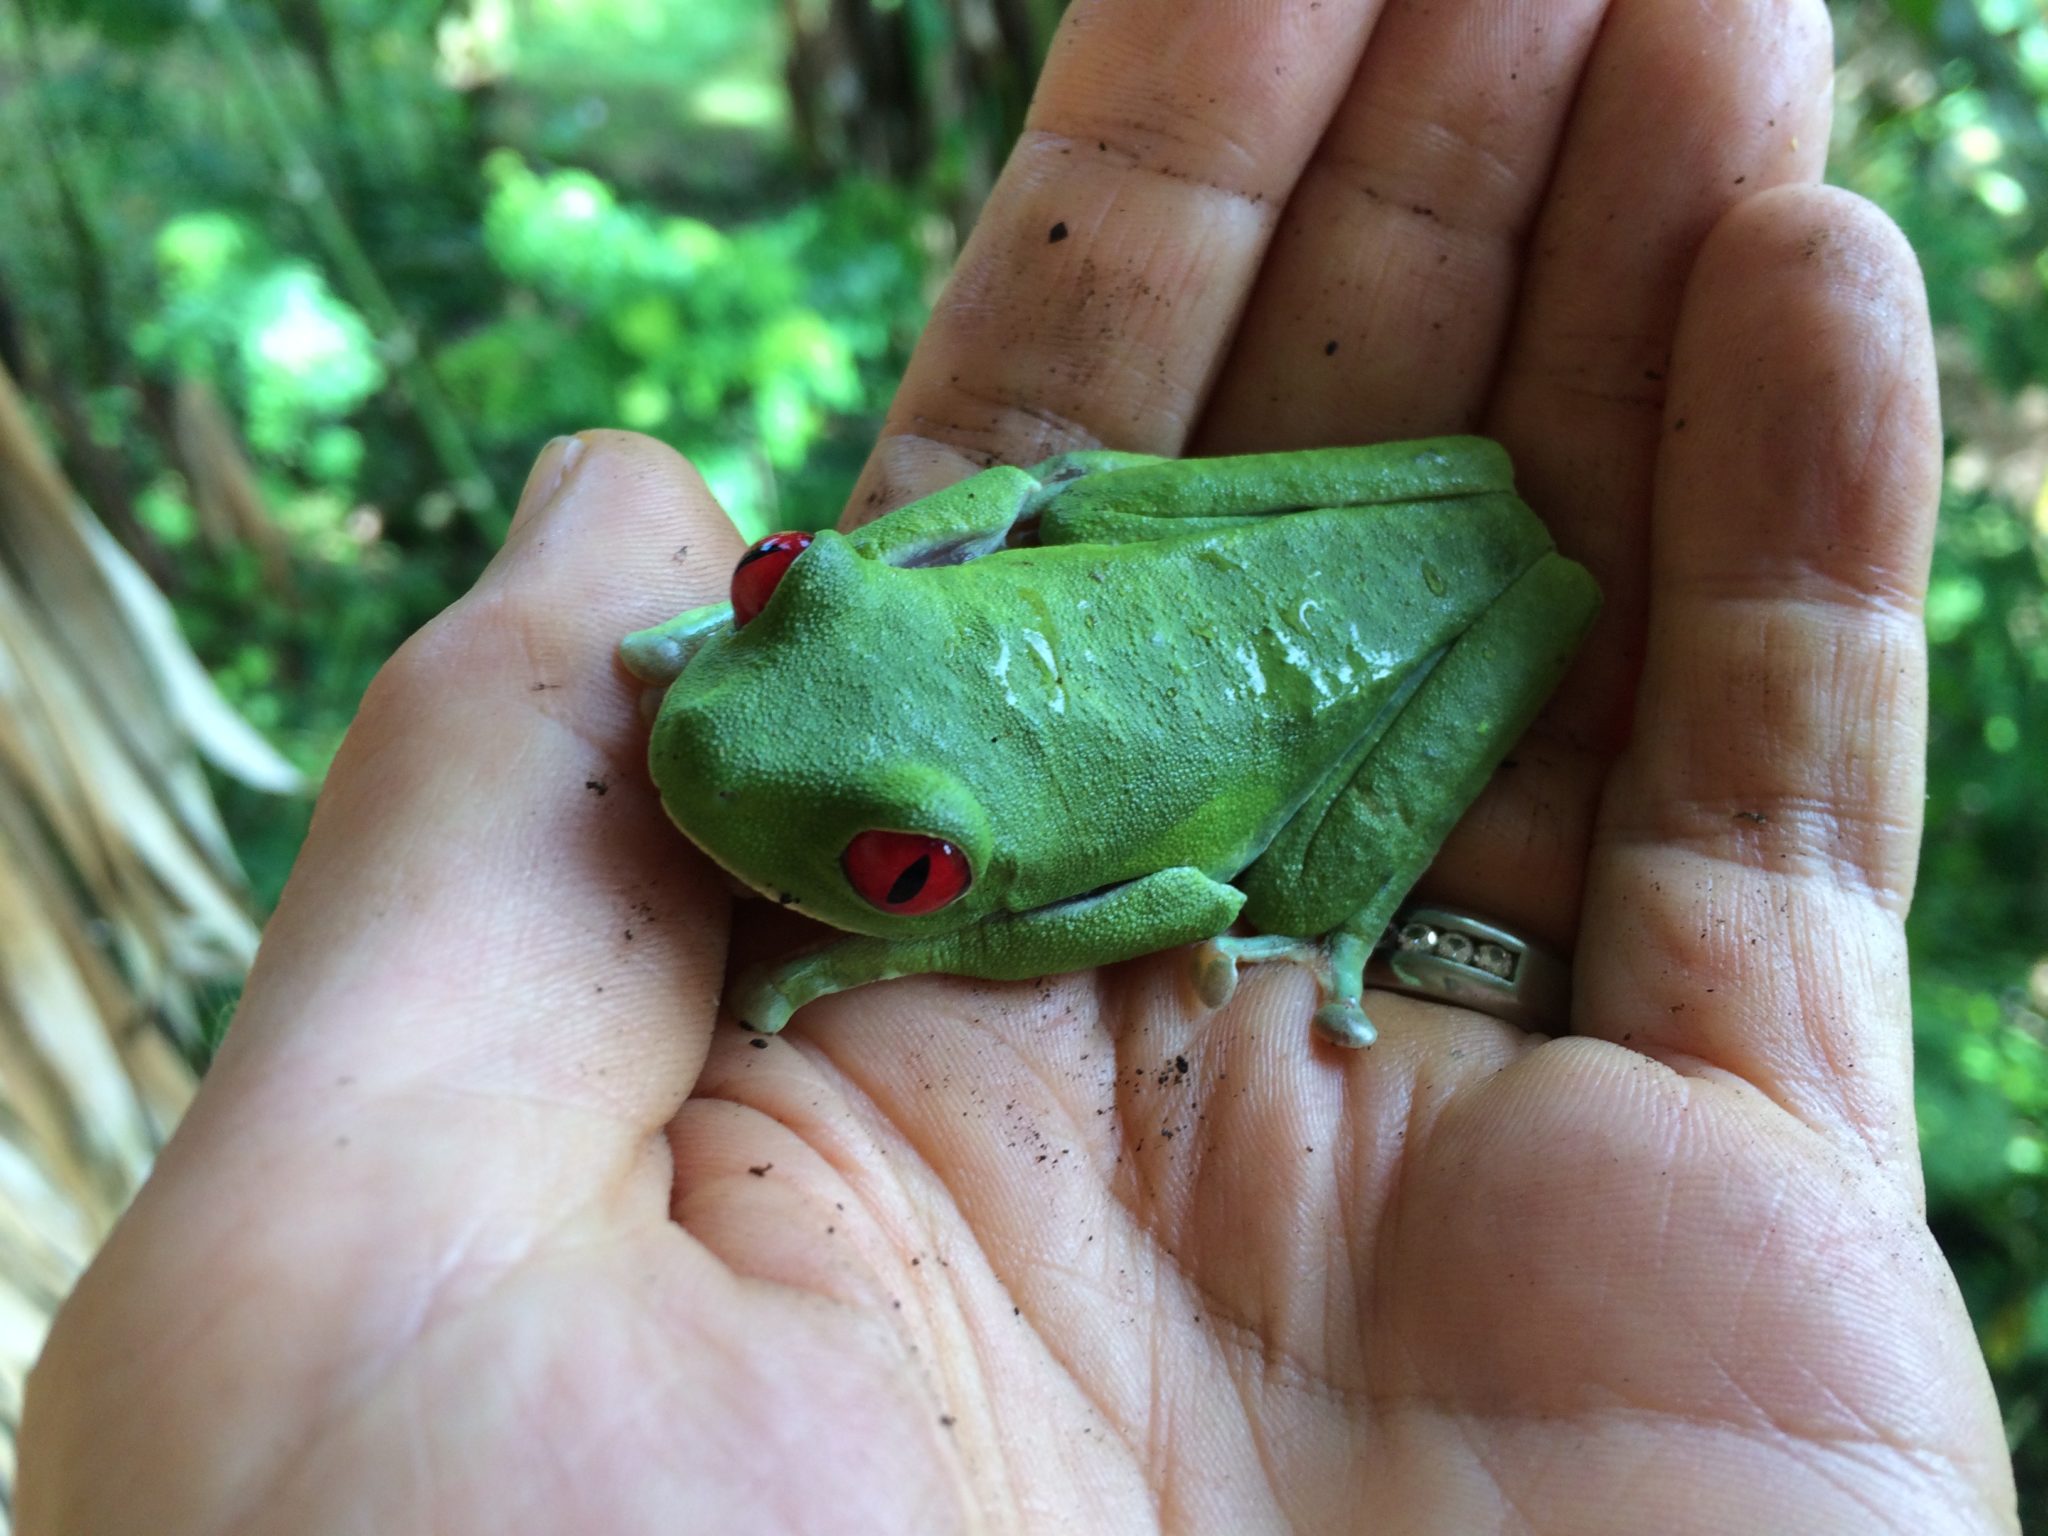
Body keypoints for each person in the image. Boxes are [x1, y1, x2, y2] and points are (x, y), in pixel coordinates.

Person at [17, 0, 2021, 1530]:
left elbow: (1182, 900)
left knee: (1307, 877)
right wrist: (808, 608)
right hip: (1306, 544)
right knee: (1094, 509)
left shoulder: (1033, 863)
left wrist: (886, 946)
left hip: (1344, 677)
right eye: (782, 578)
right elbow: (946, 551)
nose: (713, 709)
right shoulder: (835, 646)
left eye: (895, 866)